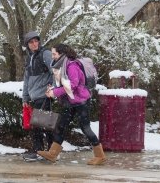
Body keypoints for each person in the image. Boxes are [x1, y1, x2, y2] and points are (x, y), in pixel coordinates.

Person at [39, 43, 106, 165]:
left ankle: (99, 155)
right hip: (68, 101)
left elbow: (72, 85)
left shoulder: (72, 65)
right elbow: (63, 83)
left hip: (81, 102)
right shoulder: (61, 65)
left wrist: (54, 93)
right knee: (60, 126)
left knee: (85, 128)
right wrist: (53, 89)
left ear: (62, 54)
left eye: (54, 54)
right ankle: (53, 153)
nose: (52, 56)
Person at [22, 31, 54, 162]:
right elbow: (26, 79)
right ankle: (50, 152)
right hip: (34, 96)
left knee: (40, 125)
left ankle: (41, 152)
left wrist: (52, 88)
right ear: (27, 45)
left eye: (36, 41)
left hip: (44, 95)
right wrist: (25, 97)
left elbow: (55, 71)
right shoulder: (29, 58)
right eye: (31, 42)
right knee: (44, 125)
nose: (34, 44)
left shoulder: (45, 54)